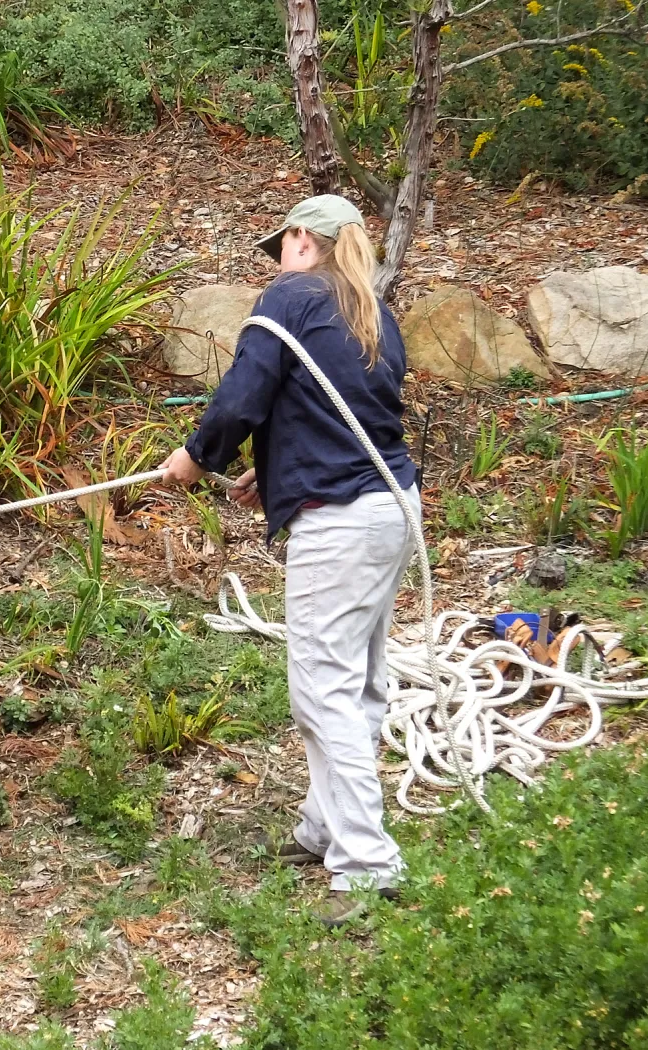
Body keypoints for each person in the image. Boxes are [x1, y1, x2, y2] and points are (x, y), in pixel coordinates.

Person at [160, 194, 420, 927]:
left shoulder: (290, 295)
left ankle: (367, 864)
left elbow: (245, 396)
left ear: (305, 239)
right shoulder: (368, 307)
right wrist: (273, 473)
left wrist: (197, 456)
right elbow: (344, 415)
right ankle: (323, 826)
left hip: (341, 519)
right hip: (392, 505)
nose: (277, 255)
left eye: (284, 242)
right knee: (360, 677)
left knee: (322, 686)